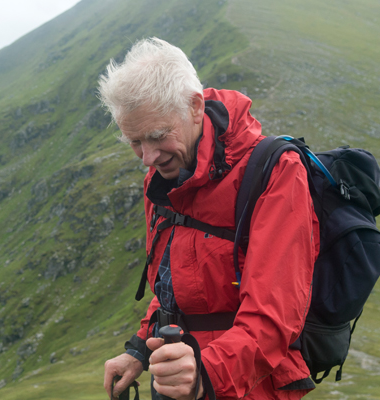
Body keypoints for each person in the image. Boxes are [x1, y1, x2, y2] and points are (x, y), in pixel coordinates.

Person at [98, 38, 319, 399]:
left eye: (156, 136)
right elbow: (174, 285)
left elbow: (275, 317)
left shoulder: (275, 171)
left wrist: (204, 376)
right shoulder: (162, 177)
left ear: (195, 107)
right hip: (175, 378)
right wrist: (139, 350)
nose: (147, 157)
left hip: (246, 386)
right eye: (134, 141)